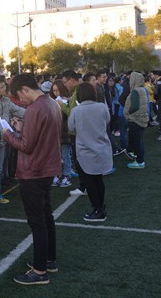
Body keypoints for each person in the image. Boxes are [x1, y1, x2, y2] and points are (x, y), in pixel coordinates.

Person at [3, 74, 62, 285]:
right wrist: (22, 129)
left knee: (37, 220)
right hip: (47, 167)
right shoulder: (51, 103)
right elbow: (40, 136)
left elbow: (26, 146)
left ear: (25, 89)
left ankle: (39, 270)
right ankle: (48, 260)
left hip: (33, 170)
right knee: (46, 216)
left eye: (20, 96)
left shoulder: (35, 108)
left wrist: (7, 134)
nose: (20, 100)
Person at [68, 83, 113, 222]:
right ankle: (101, 207)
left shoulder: (76, 110)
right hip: (101, 149)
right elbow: (107, 120)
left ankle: (97, 209)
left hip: (85, 151)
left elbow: (71, 128)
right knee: (98, 179)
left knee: (89, 182)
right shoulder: (102, 107)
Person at [48, 80, 73, 187]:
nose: (56, 93)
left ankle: (67, 175)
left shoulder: (68, 100)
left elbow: (69, 114)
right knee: (55, 155)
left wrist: (62, 106)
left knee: (65, 154)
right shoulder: (51, 101)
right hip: (54, 132)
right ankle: (57, 174)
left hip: (64, 131)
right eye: (54, 91)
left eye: (58, 90)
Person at [124, 72, 149, 169]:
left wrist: (128, 113)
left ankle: (140, 161)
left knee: (137, 141)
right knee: (140, 140)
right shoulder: (143, 89)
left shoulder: (135, 91)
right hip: (141, 118)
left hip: (136, 119)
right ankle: (140, 158)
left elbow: (135, 106)